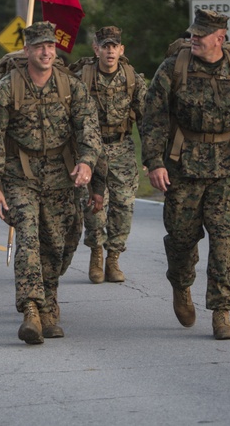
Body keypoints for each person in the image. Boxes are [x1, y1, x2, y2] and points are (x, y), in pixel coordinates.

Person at [141, 9, 230, 341]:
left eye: (201, 35)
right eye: (193, 34)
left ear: (221, 37)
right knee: (182, 240)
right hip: (183, 167)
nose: (194, 39)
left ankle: (221, 312)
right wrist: (154, 162)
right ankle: (180, 284)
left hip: (228, 167)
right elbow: (153, 117)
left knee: (224, 240)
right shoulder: (174, 67)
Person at [0, 21, 102, 345]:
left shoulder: (70, 86)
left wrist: (87, 162)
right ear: (27, 50)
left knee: (61, 243)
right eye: (38, 47)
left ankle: (49, 300)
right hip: (20, 175)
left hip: (62, 176)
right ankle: (32, 310)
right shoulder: (7, 88)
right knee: (30, 240)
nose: (46, 52)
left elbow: (89, 129)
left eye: (50, 46)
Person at [71, 26, 147, 284]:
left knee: (124, 205)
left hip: (122, 148)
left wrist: (152, 157)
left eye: (114, 46)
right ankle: (96, 254)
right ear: (96, 49)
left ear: (121, 50)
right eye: (105, 46)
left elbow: (147, 118)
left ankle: (113, 258)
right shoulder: (83, 77)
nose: (110, 50)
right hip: (91, 151)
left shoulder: (131, 77)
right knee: (94, 206)